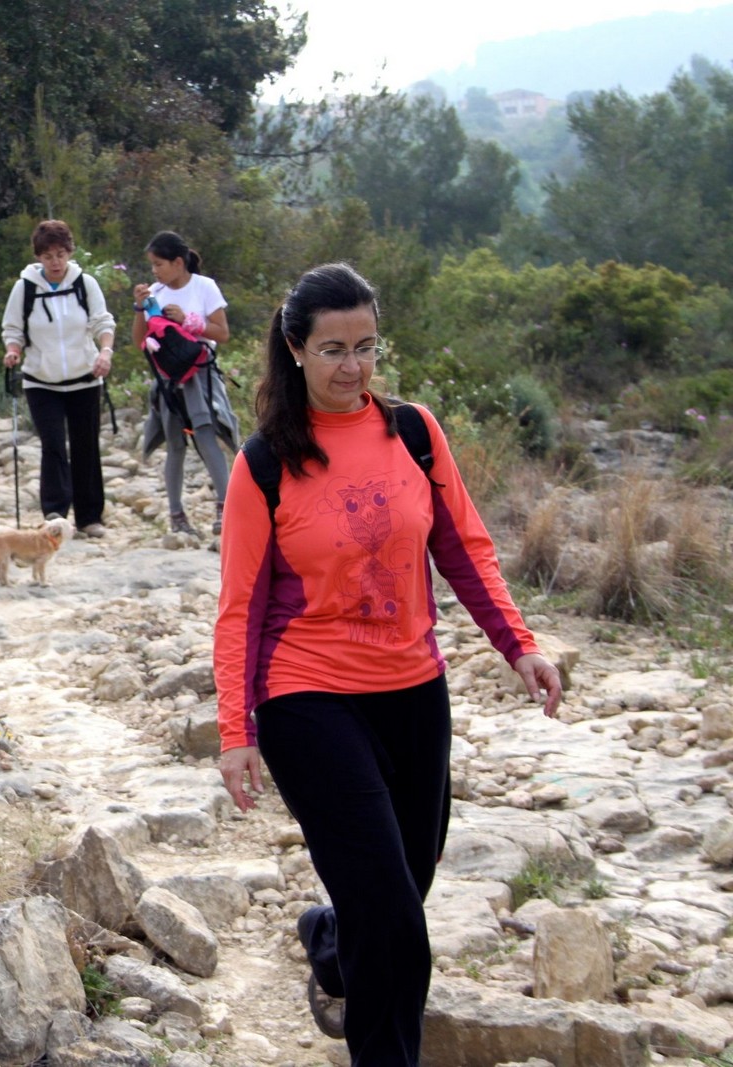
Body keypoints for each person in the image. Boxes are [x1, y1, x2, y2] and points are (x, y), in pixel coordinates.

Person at [213, 262, 564, 1067]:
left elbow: (464, 547)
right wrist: (236, 728)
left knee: (402, 887)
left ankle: (330, 942)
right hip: (307, 697)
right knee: (395, 920)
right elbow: (239, 607)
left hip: (413, 689)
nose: (354, 366)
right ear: (295, 348)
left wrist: (519, 644)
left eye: (367, 346)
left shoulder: (414, 432)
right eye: (334, 349)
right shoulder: (264, 463)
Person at [0, 220, 115, 538]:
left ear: (70, 253)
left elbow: (102, 322)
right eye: (48, 256)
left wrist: (105, 352)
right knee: (52, 445)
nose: (55, 262)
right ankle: (55, 514)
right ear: (38, 257)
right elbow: (13, 329)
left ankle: (89, 517)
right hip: (41, 381)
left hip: (85, 378)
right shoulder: (25, 288)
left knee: (85, 446)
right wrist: (13, 351)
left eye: (61, 254)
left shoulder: (85, 284)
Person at [133, 231, 238, 537]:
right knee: (174, 444)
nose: (154, 271)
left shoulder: (204, 287)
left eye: (159, 264)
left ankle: (225, 508)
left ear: (178, 263)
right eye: (152, 265)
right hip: (168, 377)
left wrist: (187, 320)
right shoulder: (155, 292)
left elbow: (222, 332)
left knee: (206, 435)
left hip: (199, 374)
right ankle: (176, 515)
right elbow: (140, 341)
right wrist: (140, 308)